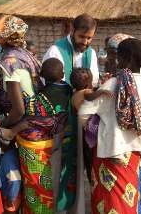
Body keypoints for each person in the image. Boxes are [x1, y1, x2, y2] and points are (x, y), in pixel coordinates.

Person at [78, 38, 141, 214]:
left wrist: (93, 130)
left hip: (111, 152)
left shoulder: (114, 84)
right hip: (135, 153)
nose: (117, 61)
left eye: (120, 57)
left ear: (129, 59)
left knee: (111, 201)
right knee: (128, 198)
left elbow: (83, 113)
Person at [0, 57, 71, 213]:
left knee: (36, 185)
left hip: (36, 146)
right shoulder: (67, 88)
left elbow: (27, 109)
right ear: (63, 74)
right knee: (46, 183)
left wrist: (18, 98)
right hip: (53, 141)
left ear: (41, 74)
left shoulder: (42, 97)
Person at [43, 13, 99, 212]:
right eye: (82, 37)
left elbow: (93, 84)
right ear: (72, 31)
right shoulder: (55, 51)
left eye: (90, 38)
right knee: (60, 169)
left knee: (80, 168)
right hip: (60, 122)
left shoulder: (91, 54)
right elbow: (49, 86)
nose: (85, 42)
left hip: (81, 121)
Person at [0, 142, 22, 214]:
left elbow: (15, 180)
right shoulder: (14, 153)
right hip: (14, 193)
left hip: (11, 195)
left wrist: (10, 200)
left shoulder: (8, 158)